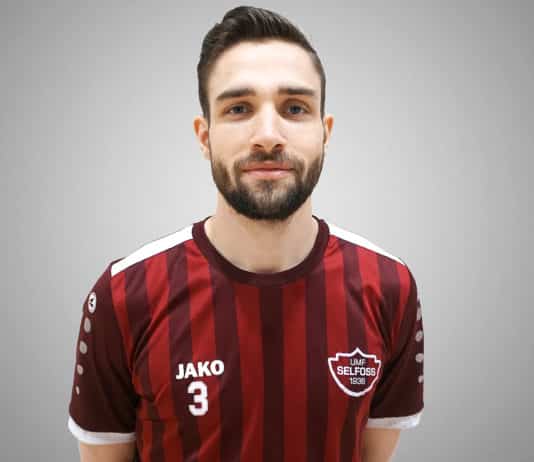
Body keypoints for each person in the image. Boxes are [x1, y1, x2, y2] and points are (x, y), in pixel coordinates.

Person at [67, 6, 424, 462]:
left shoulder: (390, 287)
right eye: (239, 108)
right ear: (205, 137)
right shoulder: (123, 295)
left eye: (295, 108)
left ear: (325, 132)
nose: (268, 135)